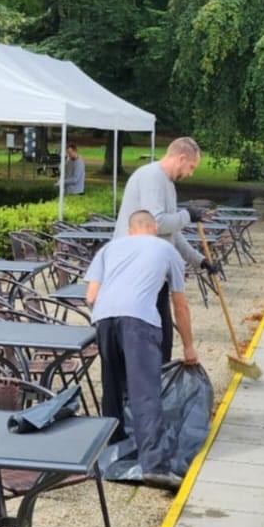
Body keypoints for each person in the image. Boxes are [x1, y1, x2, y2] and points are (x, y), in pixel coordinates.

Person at [86, 210, 198, 490]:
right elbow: (180, 304)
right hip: (139, 320)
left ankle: (111, 453)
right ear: (155, 227)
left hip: (103, 318)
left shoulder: (108, 249)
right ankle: (154, 466)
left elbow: (91, 296)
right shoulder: (166, 249)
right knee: (145, 392)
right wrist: (188, 346)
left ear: (130, 229)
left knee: (112, 388)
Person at [111, 136, 220, 356]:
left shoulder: (168, 184)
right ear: (181, 158)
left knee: (163, 342)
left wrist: (200, 261)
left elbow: (172, 233)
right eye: (191, 167)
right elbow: (157, 222)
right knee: (151, 344)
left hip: (152, 271)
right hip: (134, 272)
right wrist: (187, 215)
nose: (190, 174)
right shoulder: (152, 177)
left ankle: (157, 376)